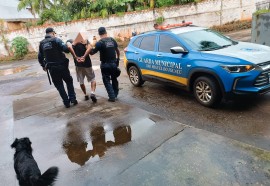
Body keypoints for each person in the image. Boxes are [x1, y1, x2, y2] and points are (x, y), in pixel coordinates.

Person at [38, 27, 78, 108]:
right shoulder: (56, 40)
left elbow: (40, 56)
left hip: (52, 68)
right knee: (69, 81)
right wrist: (69, 44)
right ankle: (73, 99)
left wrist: (43, 66)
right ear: (53, 33)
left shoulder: (42, 43)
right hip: (62, 66)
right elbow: (66, 50)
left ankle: (66, 102)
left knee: (59, 85)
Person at [84, 27, 120, 102]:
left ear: (99, 34)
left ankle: (112, 96)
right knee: (114, 79)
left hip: (105, 65)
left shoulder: (99, 43)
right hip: (113, 64)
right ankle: (115, 95)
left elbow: (92, 53)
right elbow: (117, 51)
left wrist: (88, 46)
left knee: (106, 80)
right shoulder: (112, 40)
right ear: (105, 32)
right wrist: (118, 59)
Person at [67, 36, 97, 103]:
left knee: (81, 81)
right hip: (87, 64)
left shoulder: (70, 41)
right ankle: (92, 93)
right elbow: (90, 49)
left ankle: (85, 94)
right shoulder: (85, 40)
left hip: (78, 65)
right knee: (92, 79)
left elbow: (69, 47)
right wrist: (84, 56)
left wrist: (75, 57)